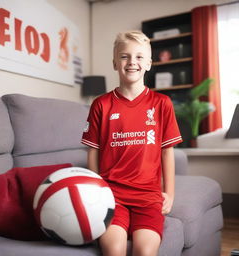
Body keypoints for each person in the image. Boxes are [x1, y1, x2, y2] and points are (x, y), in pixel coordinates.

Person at [81, 30, 182, 256]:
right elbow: (93, 153)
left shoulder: (161, 103)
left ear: (148, 63)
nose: (131, 62)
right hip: (111, 195)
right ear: (115, 62)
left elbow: (167, 152)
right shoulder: (101, 104)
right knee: (114, 250)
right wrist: (97, 194)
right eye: (125, 56)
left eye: (138, 56)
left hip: (148, 197)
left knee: (145, 252)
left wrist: (170, 194)